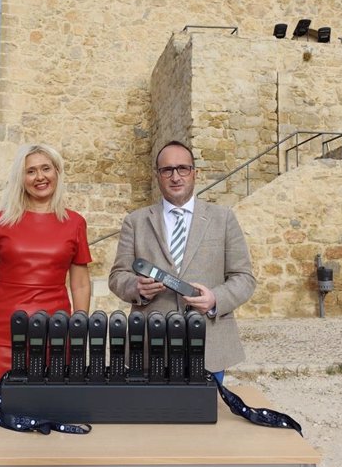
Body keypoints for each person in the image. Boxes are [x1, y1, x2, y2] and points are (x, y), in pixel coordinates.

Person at [108, 140, 256, 383]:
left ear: (195, 173)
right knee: (156, 418)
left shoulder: (223, 218)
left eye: (182, 169)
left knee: (206, 417)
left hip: (210, 344)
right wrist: (136, 287)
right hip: (151, 346)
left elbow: (244, 278)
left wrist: (215, 299)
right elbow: (117, 276)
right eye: (167, 170)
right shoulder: (135, 222)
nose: (175, 177)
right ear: (158, 176)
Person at [0, 143, 92, 387]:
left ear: (57, 172)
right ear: (21, 178)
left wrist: (79, 325)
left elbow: (81, 283)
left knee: (52, 408)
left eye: (46, 168)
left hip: (55, 330)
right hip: (1, 331)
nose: (40, 177)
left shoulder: (75, 222)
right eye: (31, 171)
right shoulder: (1, 220)